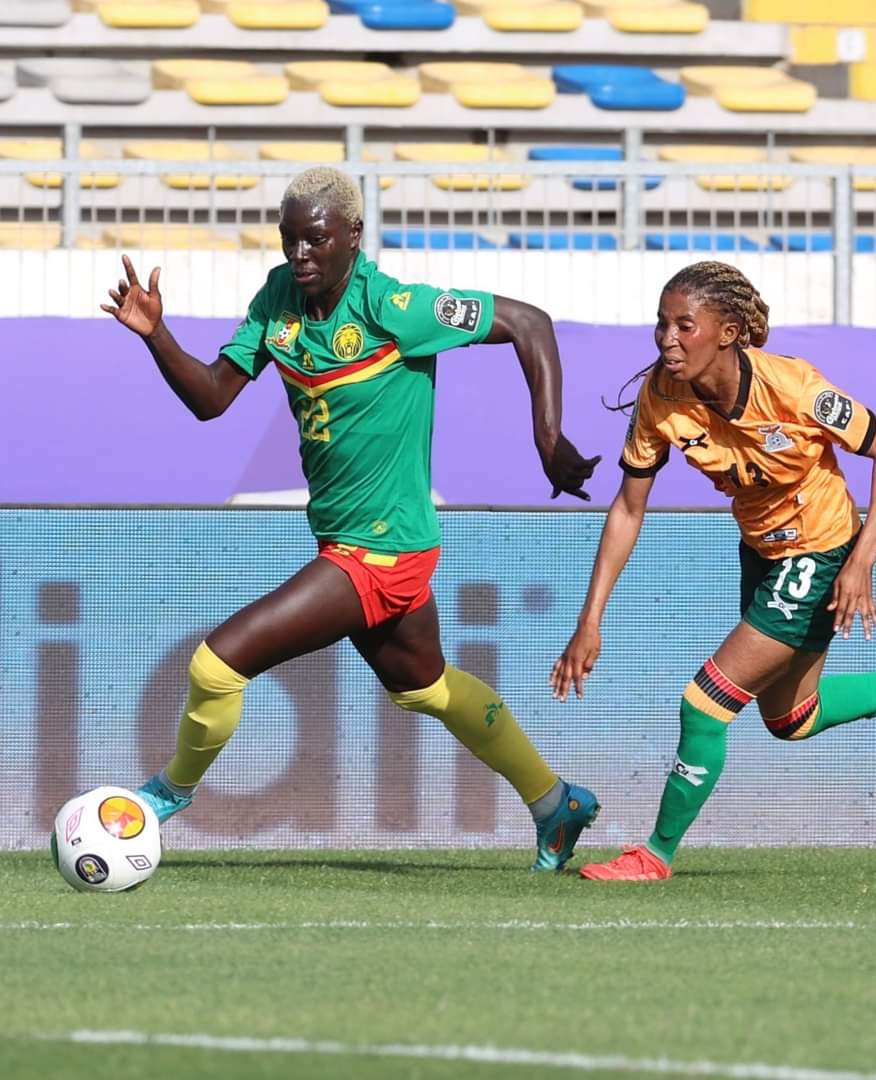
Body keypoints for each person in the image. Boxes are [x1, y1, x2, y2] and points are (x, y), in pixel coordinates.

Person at [102, 166, 602, 871]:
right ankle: (556, 803)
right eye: (289, 240)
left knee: (217, 665)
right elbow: (212, 397)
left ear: (354, 235)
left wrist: (547, 439)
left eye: (315, 240)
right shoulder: (278, 299)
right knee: (425, 687)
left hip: (380, 551)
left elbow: (529, 323)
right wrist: (157, 334)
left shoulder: (397, 307)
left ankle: (166, 796)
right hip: (351, 542)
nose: (299, 254)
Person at [550, 260, 876, 882]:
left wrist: (861, 560)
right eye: (661, 323)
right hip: (762, 550)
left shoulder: (795, 388)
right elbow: (628, 507)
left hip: (821, 549)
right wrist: (590, 619)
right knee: (792, 718)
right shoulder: (660, 395)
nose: (667, 339)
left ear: (728, 333)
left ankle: (655, 855)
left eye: (684, 325)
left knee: (704, 705)